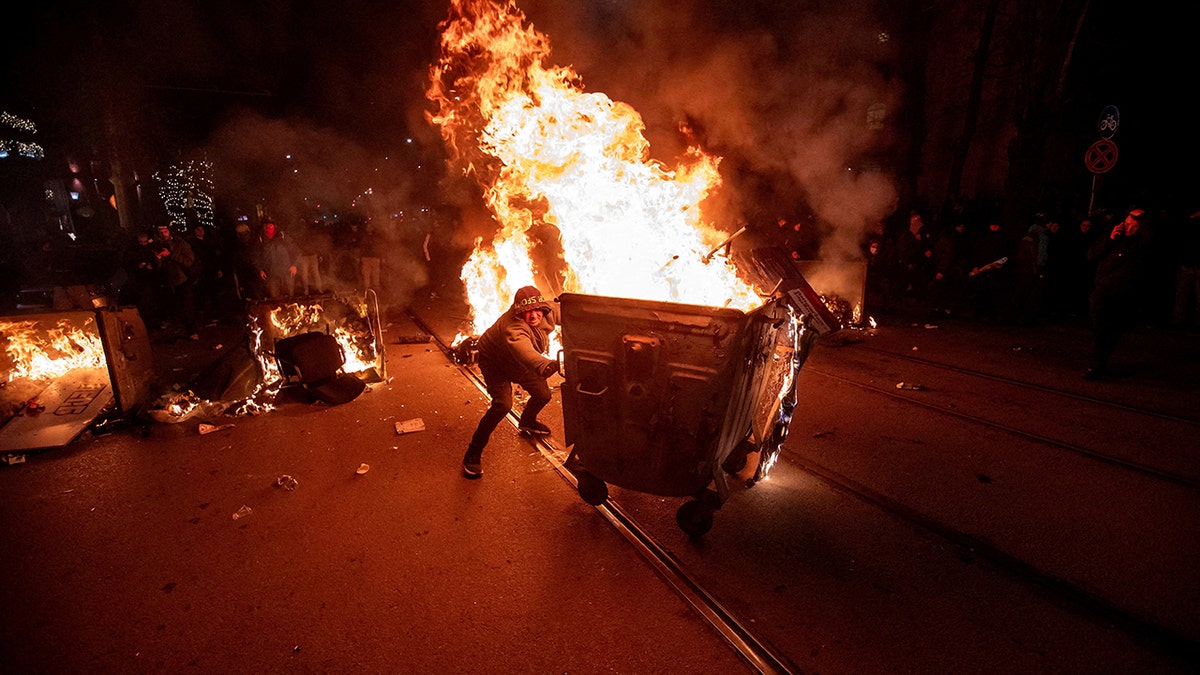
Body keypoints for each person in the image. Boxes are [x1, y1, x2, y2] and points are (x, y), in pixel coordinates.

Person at [462, 286, 560, 478]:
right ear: (519, 312)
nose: (533, 315)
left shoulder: (547, 311)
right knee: (503, 405)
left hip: (519, 362)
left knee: (543, 395)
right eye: (527, 312)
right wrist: (544, 364)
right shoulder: (513, 328)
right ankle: (473, 452)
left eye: (537, 310)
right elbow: (524, 350)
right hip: (495, 363)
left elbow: (568, 312)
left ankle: (527, 421)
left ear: (543, 307)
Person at [1085, 207, 1151, 380]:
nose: (1130, 226)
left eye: (1135, 223)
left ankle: (1101, 365)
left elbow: (1149, 240)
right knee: (1101, 331)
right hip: (1102, 292)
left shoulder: (1139, 243)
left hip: (1123, 295)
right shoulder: (1112, 237)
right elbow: (1091, 255)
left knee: (1113, 332)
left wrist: (1141, 219)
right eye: (1128, 221)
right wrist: (1110, 239)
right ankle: (1095, 368)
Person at [153, 222, 200, 339]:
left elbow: (189, 261)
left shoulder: (181, 243)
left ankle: (192, 330)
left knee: (187, 306)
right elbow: (157, 267)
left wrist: (171, 255)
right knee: (175, 307)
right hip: (168, 281)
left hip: (183, 278)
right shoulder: (156, 246)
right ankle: (179, 328)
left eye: (165, 232)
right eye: (161, 232)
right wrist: (157, 259)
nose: (163, 235)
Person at [255, 219, 299, 299]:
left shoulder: (282, 237)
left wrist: (294, 265)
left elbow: (295, 251)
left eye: (271, 226)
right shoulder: (261, 239)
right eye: (267, 226)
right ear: (264, 227)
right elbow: (257, 256)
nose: (269, 228)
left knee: (290, 297)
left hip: (287, 272)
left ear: (275, 227)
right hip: (271, 274)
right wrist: (260, 269)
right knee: (275, 298)